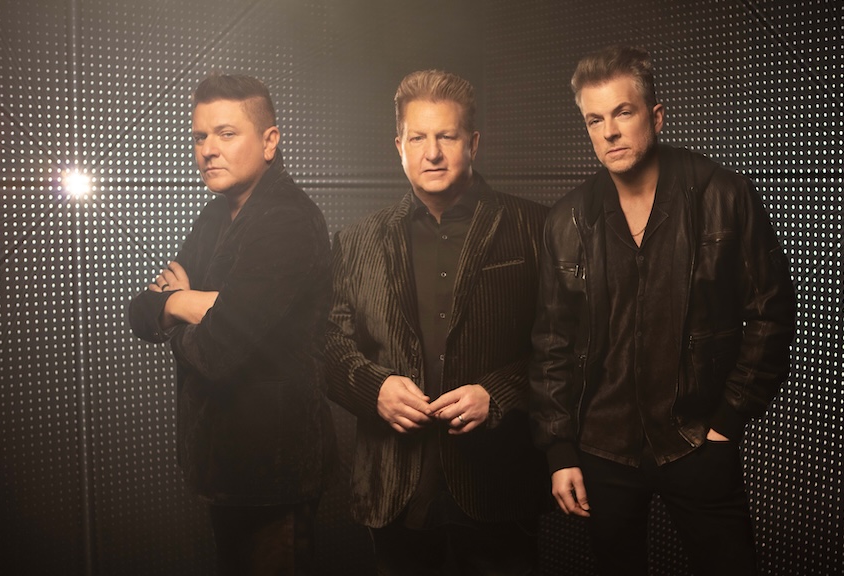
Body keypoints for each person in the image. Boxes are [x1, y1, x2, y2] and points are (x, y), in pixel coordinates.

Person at [530, 45, 797, 575]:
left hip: (696, 440)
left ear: (655, 116)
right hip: (602, 449)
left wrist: (727, 422)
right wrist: (559, 449)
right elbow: (552, 342)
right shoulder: (567, 219)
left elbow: (771, 315)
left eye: (623, 112)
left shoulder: (724, 195)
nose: (610, 132)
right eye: (595, 120)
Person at [325, 69, 549, 575]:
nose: (432, 153)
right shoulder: (356, 240)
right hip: (394, 488)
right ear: (399, 146)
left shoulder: (535, 227)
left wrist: (497, 394)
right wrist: (375, 390)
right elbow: (329, 347)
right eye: (418, 138)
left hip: (498, 483)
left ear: (473, 143)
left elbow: (566, 345)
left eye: (446, 136)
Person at [128, 73, 336, 575]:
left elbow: (219, 351)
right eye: (200, 136)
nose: (208, 150)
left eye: (226, 133)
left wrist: (176, 303)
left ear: (269, 141)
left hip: (272, 473)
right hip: (221, 468)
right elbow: (141, 311)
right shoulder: (214, 216)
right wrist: (191, 305)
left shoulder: (287, 221)